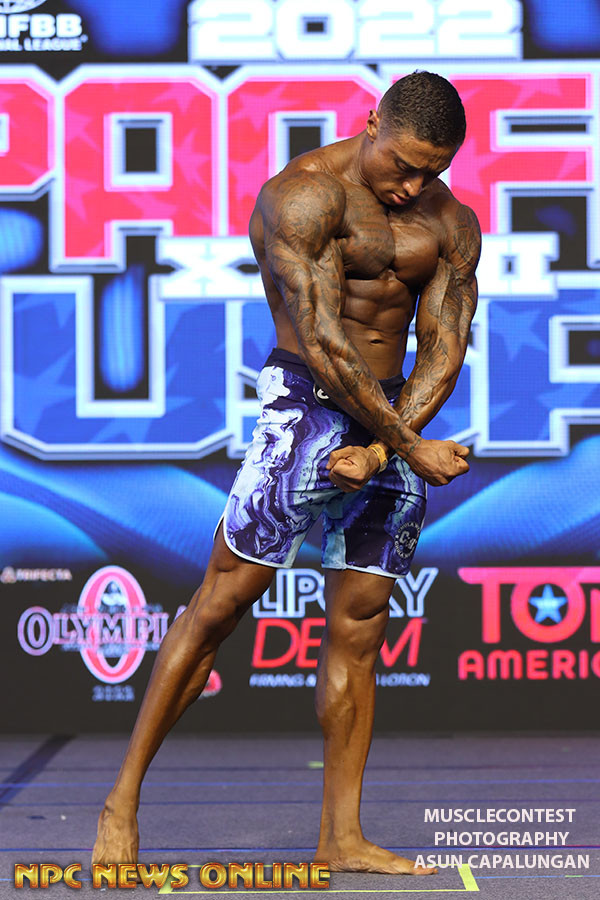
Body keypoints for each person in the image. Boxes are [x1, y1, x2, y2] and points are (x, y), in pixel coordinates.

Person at [92, 71, 481, 876]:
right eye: (404, 164)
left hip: (393, 422)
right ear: (371, 123)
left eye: (432, 171)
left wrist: (383, 450)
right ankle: (120, 804)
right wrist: (407, 448)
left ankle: (342, 835)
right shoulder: (303, 198)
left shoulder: (450, 223)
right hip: (306, 403)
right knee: (221, 603)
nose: (413, 186)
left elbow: (444, 347)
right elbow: (326, 342)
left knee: (361, 626)